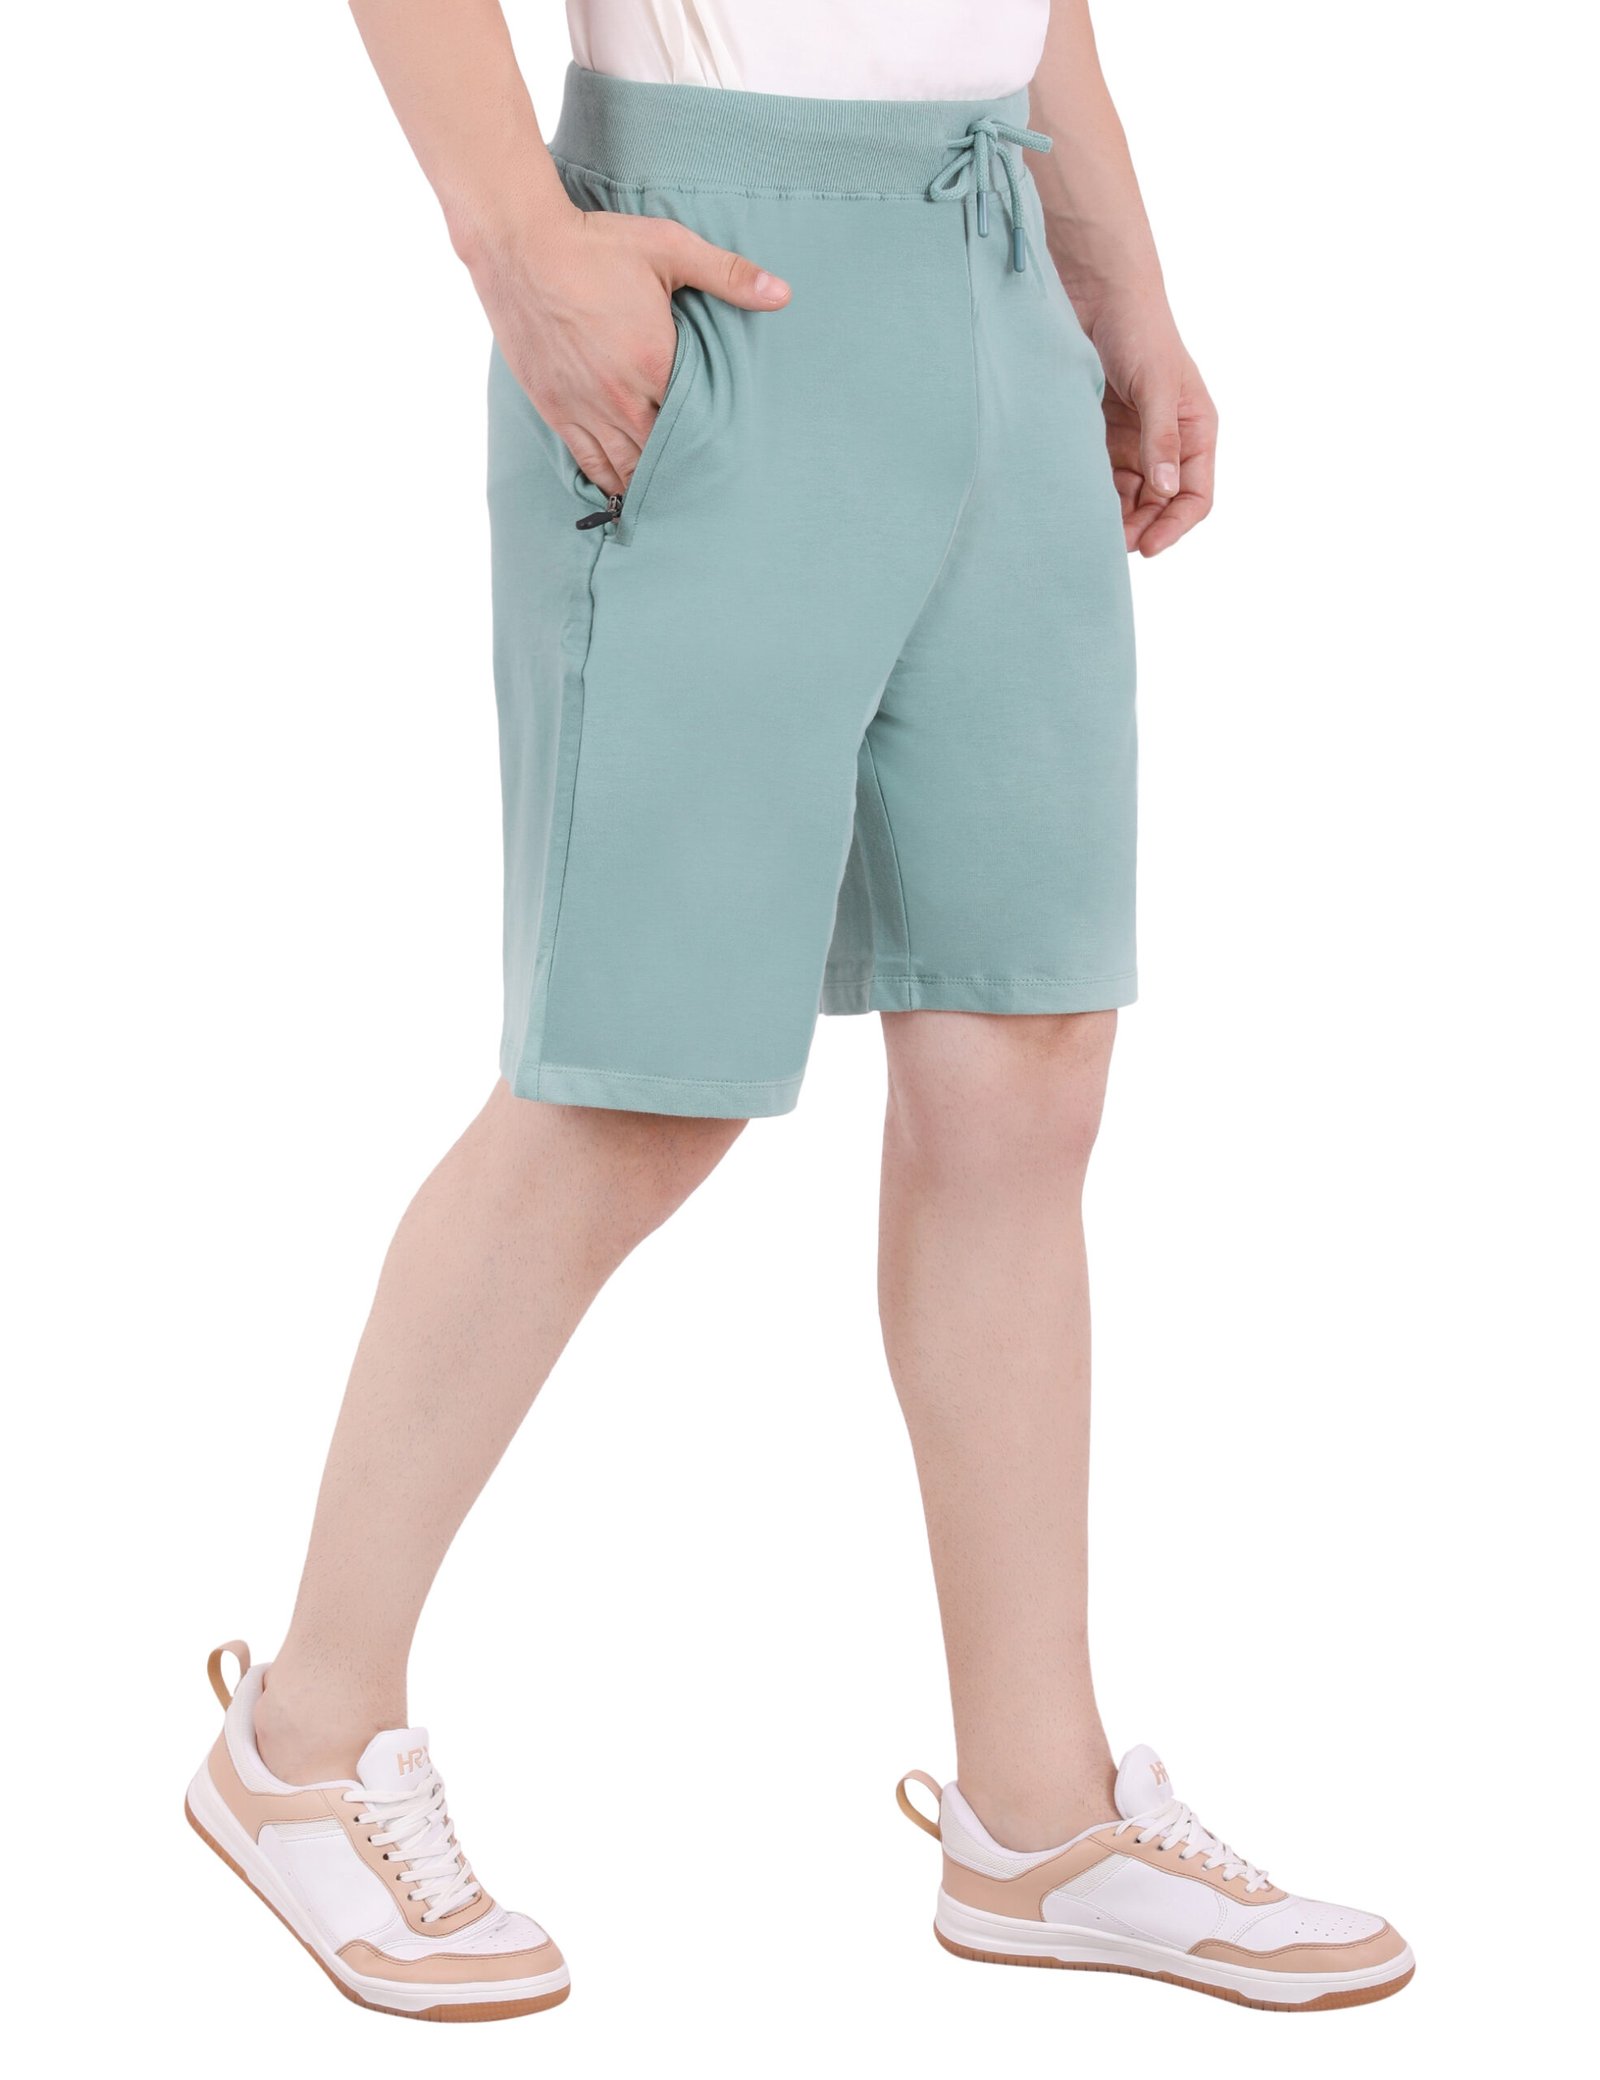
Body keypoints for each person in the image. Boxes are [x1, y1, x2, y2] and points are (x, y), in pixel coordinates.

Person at [183, 0, 1413, 2021]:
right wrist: (518, 239)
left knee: (1022, 1050)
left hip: (991, 254)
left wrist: (1118, 275)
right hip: (713, 273)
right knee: (634, 1077)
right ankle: (303, 1735)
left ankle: (1038, 1815)